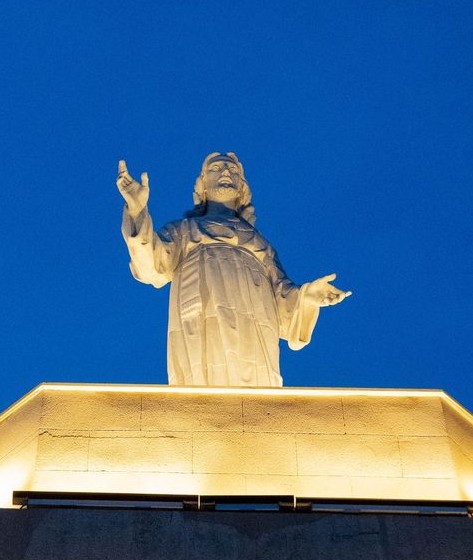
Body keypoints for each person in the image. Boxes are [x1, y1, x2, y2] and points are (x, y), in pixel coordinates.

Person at [117, 153, 350, 387]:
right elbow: (150, 267)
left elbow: (283, 298)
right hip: (200, 315)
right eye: (216, 168)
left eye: (233, 171)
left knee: (256, 397)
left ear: (241, 188)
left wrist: (306, 297)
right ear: (203, 185)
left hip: (255, 324)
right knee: (202, 385)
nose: (226, 173)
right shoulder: (184, 230)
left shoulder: (260, 244)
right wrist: (137, 210)